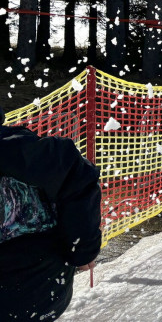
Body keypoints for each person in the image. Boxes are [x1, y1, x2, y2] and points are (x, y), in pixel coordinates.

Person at [0, 125, 102, 321]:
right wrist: (82, 248)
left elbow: (73, 173)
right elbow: (75, 173)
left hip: (31, 283)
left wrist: (82, 248)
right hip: (44, 286)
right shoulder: (15, 145)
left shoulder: (12, 148)